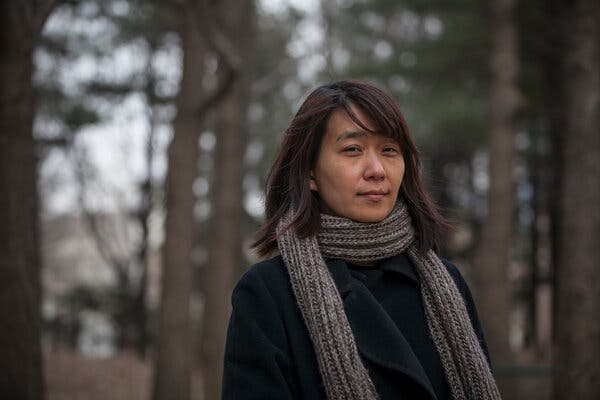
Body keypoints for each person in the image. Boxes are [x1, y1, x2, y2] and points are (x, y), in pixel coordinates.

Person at [221, 80, 501, 400]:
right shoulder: (268, 292)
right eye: (353, 150)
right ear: (310, 172)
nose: (377, 169)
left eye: (389, 150)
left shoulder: (446, 284)